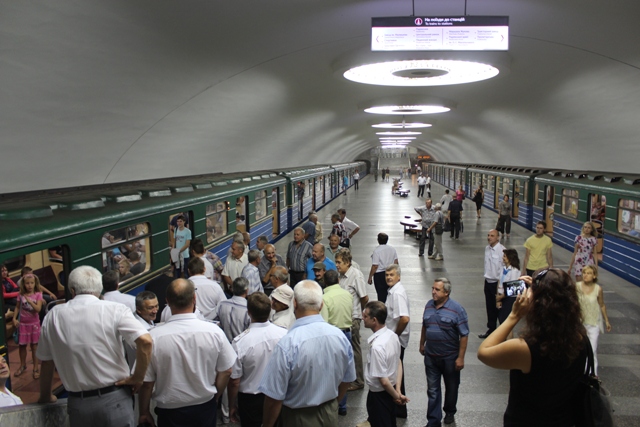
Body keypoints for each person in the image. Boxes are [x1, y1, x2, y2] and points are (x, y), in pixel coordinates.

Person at [38, 266, 152, 427]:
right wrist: (137, 377)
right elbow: (146, 341)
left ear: (72, 290)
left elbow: (47, 362)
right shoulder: (116, 310)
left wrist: (45, 396)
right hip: (116, 398)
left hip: (78, 404)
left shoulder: (53, 315)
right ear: (99, 290)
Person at [477, 268, 589, 426]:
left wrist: (514, 316)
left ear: (538, 303)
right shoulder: (580, 338)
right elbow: (558, 290)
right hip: (564, 420)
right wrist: (543, 285)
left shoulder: (526, 349)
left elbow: (484, 352)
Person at [138, 278, 236, 427]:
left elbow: (146, 383)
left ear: (167, 302)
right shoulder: (214, 332)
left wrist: (144, 412)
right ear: (194, 299)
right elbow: (227, 370)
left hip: (169, 412)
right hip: (204, 406)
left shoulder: (153, 337)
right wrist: (215, 396)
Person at [259, 281, 356, 426]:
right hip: (329, 414)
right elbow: (347, 379)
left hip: (297, 417)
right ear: (321, 304)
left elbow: (274, 398)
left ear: (295, 304)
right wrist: (333, 404)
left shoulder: (288, 344)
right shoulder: (340, 337)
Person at [228, 293, 288, 427]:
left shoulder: (240, 342)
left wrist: (231, 405)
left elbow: (234, 381)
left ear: (249, 312)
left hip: (251, 400)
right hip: (279, 393)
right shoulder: (284, 334)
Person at [420, 278, 469, 426]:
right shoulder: (429, 305)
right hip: (431, 356)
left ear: (446, 292)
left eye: (437, 289)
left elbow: (464, 334)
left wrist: (460, 358)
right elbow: (425, 325)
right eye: (433, 288)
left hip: (450, 357)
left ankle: (449, 411)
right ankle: (434, 421)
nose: (433, 292)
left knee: (451, 387)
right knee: (433, 390)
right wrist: (422, 343)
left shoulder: (457, 309)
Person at [360, 301, 408, 427]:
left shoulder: (377, 347)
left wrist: (396, 396)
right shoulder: (393, 336)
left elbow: (384, 381)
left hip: (379, 396)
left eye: (365, 316)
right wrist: (397, 391)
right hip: (391, 391)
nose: (362, 318)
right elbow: (399, 362)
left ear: (374, 320)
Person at [320, 269, 354, 416]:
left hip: (333, 336)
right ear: (338, 281)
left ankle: (331, 404)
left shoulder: (325, 298)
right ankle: (343, 406)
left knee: (331, 372)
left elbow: (324, 322)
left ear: (325, 282)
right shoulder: (347, 294)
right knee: (344, 372)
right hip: (347, 334)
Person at [336, 250, 369, 392]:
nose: (337, 265)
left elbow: (364, 297)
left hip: (353, 318)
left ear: (347, 262)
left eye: (339, 262)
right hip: (343, 318)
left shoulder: (356, 275)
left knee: (354, 349)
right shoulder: (341, 276)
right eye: (336, 262)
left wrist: (360, 315)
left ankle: (359, 380)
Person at [383, 264, 410, 418]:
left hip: (397, 339)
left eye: (392, 275)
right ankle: (398, 407)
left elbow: (404, 318)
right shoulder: (393, 291)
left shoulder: (397, 294)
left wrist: (394, 336)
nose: (388, 277)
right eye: (387, 275)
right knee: (396, 373)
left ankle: (398, 407)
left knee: (394, 374)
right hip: (395, 337)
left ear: (398, 276)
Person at [577, 265, 611, 375]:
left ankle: (592, 374)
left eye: (589, 273)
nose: (585, 275)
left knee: (592, 350)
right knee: (579, 350)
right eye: (584, 272)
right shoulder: (577, 287)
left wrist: (606, 321)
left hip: (593, 323)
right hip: (580, 324)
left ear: (594, 275)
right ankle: (580, 373)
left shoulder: (598, 289)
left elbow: (602, 305)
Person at [12, 273, 44, 378]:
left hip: (34, 324)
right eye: (27, 283)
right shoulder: (20, 295)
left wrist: (30, 301)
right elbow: (17, 307)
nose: (29, 285)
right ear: (23, 284)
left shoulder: (38, 294)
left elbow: (38, 309)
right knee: (22, 346)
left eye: (31, 283)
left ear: (35, 284)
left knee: (34, 346)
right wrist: (14, 318)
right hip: (23, 324)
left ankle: (35, 368)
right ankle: (22, 365)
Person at [479, 230, 505, 339]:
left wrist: (501, 287)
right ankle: (491, 329)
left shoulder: (502, 250)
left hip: (497, 284)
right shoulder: (487, 249)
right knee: (489, 307)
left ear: (498, 237)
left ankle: (503, 333)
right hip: (488, 282)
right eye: (488, 235)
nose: (489, 237)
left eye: (492, 236)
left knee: (499, 308)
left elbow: (504, 270)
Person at [217, 277, 251, 343]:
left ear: (232, 289)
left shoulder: (221, 304)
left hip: (225, 345)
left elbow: (214, 321)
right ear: (246, 291)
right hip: (243, 346)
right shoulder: (249, 308)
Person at [368, 233, 399, 303]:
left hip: (379, 275)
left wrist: (370, 277)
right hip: (391, 272)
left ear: (378, 240)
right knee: (390, 292)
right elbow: (396, 262)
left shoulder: (377, 251)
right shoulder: (392, 249)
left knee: (381, 294)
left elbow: (375, 266)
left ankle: (382, 309)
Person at [496, 249, 522, 330]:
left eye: (505, 256)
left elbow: (512, 288)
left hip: (509, 299)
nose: (503, 258)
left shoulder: (514, 271)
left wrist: (500, 297)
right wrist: (498, 298)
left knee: (506, 324)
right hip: (502, 296)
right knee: (502, 321)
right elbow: (499, 282)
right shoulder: (503, 268)